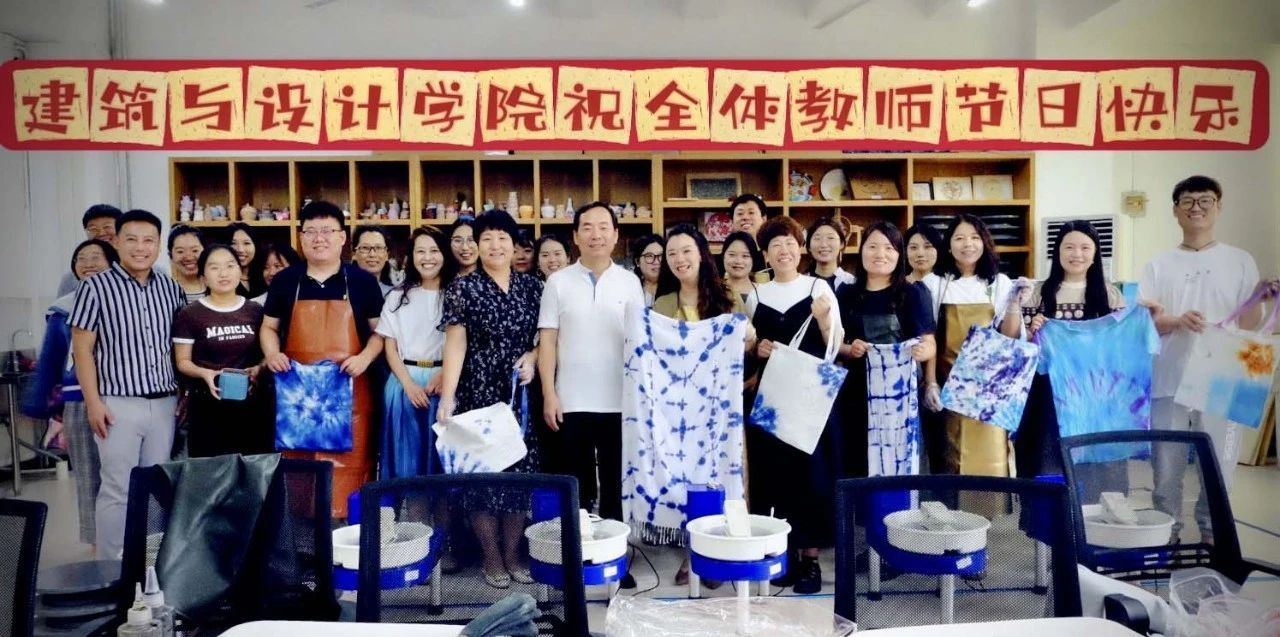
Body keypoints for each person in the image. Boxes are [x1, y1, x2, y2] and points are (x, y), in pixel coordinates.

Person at [1139, 176, 1279, 543]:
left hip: (1224, 381)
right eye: (1188, 201)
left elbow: (1248, 326)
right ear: (1175, 210)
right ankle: (1166, 534)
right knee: (1166, 466)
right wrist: (1177, 320)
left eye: (1205, 200)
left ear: (1218, 207)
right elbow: (1146, 324)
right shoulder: (1158, 264)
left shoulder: (1240, 261)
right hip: (1169, 379)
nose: (1196, 207)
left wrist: (1260, 298)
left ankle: (1213, 534)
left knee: (1222, 465)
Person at [538, 202, 645, 589]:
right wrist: (549, 393)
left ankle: (616, 560)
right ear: (575, 236)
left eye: (603, 227)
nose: (596, 234)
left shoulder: (630, 282)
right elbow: (547, 342)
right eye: (587, 227)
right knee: (578, 486)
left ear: (616, 235)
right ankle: (579, 558)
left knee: (616, 486)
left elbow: (641, 342)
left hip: (620, 401)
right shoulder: (558, 282)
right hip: (572, 400)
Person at [70, 210, 185, 558]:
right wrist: (94, 403)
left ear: (158, 246)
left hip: (164, 403)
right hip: (117, 404)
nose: (140, 247)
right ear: (116, 242)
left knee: (155, 486)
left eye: (149, 240)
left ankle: (149, 567)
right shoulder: (95, 287)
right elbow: (82, 350)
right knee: (118, 488)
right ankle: (112, 568)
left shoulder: (171, 288)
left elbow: (178, 347)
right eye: (131, 239)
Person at [437, 210, 542, 589]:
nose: (495, 245)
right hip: (477, 394)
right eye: (487, 239)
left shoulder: (533, 287)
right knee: (482, 479)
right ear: (477, 245)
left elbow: (547, 336)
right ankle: (491, 557)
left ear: (514, 245)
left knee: (517, 476)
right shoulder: (463, 288)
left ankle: (513, 554)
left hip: (518, 395)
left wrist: (533, 356)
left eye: (502, 238)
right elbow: (455, 344)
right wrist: (447, 397)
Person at [262, 201, 385, 517]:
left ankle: (348, 536)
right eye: (311, 232)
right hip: (298, 400)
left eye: (327, 231)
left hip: (351, 395)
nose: (319, 238)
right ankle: (302, 541)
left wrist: (364, 358)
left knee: (351, 475)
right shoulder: (286, 281)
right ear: (301, 238)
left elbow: (381, 334)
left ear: (342, 237)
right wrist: (273, 353)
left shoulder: (362, 281)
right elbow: (269, 327)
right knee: (299, 473)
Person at [651, 223, 754, 586]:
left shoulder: (726, 295)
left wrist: (746, 335)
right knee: (687, 479)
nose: (679, 259)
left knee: (724, 476)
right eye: (672, 253)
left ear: (701, 255)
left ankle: (724, 550)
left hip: (722, 406)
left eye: (686, 251)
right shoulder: (663, 304)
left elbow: (747, 343)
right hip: (680, 409)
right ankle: (692, 552)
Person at [745, 216, 843, 594]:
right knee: (774, 475)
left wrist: (824, 318)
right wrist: (757, 349)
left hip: (810, 401)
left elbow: (835, 344)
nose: (783, 251)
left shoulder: (818, 287)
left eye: (789, 243)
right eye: (775, 245)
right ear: (765, 254)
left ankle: (810, 559)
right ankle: (781, 552)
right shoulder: (756, 295)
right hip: (771, 401)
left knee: (811, 476)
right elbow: (750, 349)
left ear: (800, 248)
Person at [24, 239, 117, 551]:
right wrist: (43, 404)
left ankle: (131, 540)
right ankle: (96, 543)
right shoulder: (62, 309)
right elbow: (51, 358)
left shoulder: (125, 299)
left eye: (96, 257)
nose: (89, 263)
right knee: (88, 475)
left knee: (124, 475)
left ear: (113, 264)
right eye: (81, 258)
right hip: (79, 400)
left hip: (123, 397)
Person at [1017, 220, 1127, 480]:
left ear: (1095, 254)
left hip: (1093, 393)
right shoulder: (1036, 294)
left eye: (1085, 248)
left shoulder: (1111, 296)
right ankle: (1045, 507)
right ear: (1058, 251)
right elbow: (1018, 346)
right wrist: (1031, 331)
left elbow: (1119, 347)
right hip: (1045, 394)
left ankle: (1088, 506)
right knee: (1045, 462)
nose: (1077, 254)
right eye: (1069, 247)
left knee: (1089, 466)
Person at [920, 213, 1026, 478]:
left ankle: (992, 506)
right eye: (959, 238)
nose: (967, 244)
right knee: (949, 456)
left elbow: (1010, 338)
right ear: (948, 246)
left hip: (990, 391)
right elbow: (928, 336)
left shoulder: (999, 283)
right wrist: (930, 383)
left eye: (974, 238)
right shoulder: (935, 283)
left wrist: (1014, 304)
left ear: (984, 243)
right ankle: (952, 507)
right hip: (949, 389)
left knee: (992, 458)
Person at [835, 222, 936, 478]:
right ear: (861, 251)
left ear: (899, 255)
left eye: (889, 248)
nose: (880, 254)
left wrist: (922, 351)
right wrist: (849, 349)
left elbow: (930, 343)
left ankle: (900, 504)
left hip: (900, 396)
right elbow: (834, 346)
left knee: (901, 460)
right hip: (857, 393)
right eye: (872, 247)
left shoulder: (913, 294)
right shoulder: (846, 293)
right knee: (859, 459)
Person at [172, 244, 272, 457]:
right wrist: (204, 373)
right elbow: (182, 361)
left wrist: (259, 368)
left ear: (240, 270)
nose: (223, 273)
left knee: (252, 469)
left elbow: (267, 353)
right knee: (212, 471)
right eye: (214, 267)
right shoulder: (190, 314)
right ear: (204, 277)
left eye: (229, 265)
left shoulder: (255, 311)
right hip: (209, 406)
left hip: (251, 406)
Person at [378, 227, 455, 478]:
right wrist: (408, 385)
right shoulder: (397, 296)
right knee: (405, 460)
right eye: (420, 251)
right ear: (411, 256)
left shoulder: (456, 293)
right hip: (404, 381)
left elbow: (463, 343)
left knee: (441, 461)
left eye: (434, 250)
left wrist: (444, 374)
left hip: (444, 382)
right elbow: (390, 347)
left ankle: (441, 507)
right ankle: (406, 505)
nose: (427, 257)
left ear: (445, 254)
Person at [56, 204, 122, 297]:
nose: (101, 233)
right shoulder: (71, 279)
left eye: (107, 227)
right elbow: (62, 305)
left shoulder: (136, 269)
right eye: (93, 229)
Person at [807, 217, 856, 292]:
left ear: (842, 244)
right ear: (809, 246)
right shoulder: (801, 283)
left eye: (830, 238)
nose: (823, 244)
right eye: (817, 238)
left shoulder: (852, 282)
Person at [720, 231, 765, 306]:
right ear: (723, 256)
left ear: (753, 259)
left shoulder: (764, 293)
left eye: (745, 256)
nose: (738, 261)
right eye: (732, 255)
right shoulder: (714, 292)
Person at [167, 225, 207, 304]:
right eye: (180, 251)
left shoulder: (217, 287)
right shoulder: (165, 292)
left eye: (195, 250)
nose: (189, 258)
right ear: (170, 255)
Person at [353, 225, 396, 296]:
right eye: (365, 248)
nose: (372, 254)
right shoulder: (344, 290)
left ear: (387, 255)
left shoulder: (395, 295)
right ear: (354, 254)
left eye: (378, 248)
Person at [227, 222, 266, 298]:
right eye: (233, 243)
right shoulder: (222, 279)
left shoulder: (265, 275)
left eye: (246, 243)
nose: (240, 250)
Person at [904, 223, 943, 288]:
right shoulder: (897, 286)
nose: (920, 254)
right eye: (913, 247)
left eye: (927, 247)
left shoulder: (948, 285)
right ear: (905, 251)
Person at [631, 234, 664, 308]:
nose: (656, 262)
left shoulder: (676, 290)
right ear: (637, 262)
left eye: (660, 256)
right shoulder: (630, 289)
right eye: (649, 256)